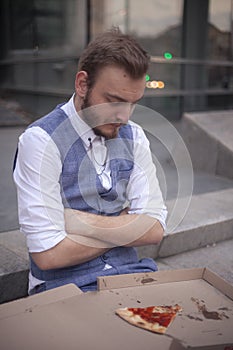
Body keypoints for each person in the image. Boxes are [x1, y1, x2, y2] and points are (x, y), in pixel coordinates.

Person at [13, 28, 167, 295]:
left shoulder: (136, 136)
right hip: (63, 288)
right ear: (82, 84)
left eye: (133, 103)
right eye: (114, 101)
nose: (124, 116)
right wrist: (126, 226)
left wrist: (75, 223)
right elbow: (49, 255)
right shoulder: (41, 141)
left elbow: (154, 229)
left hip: (132, 275)